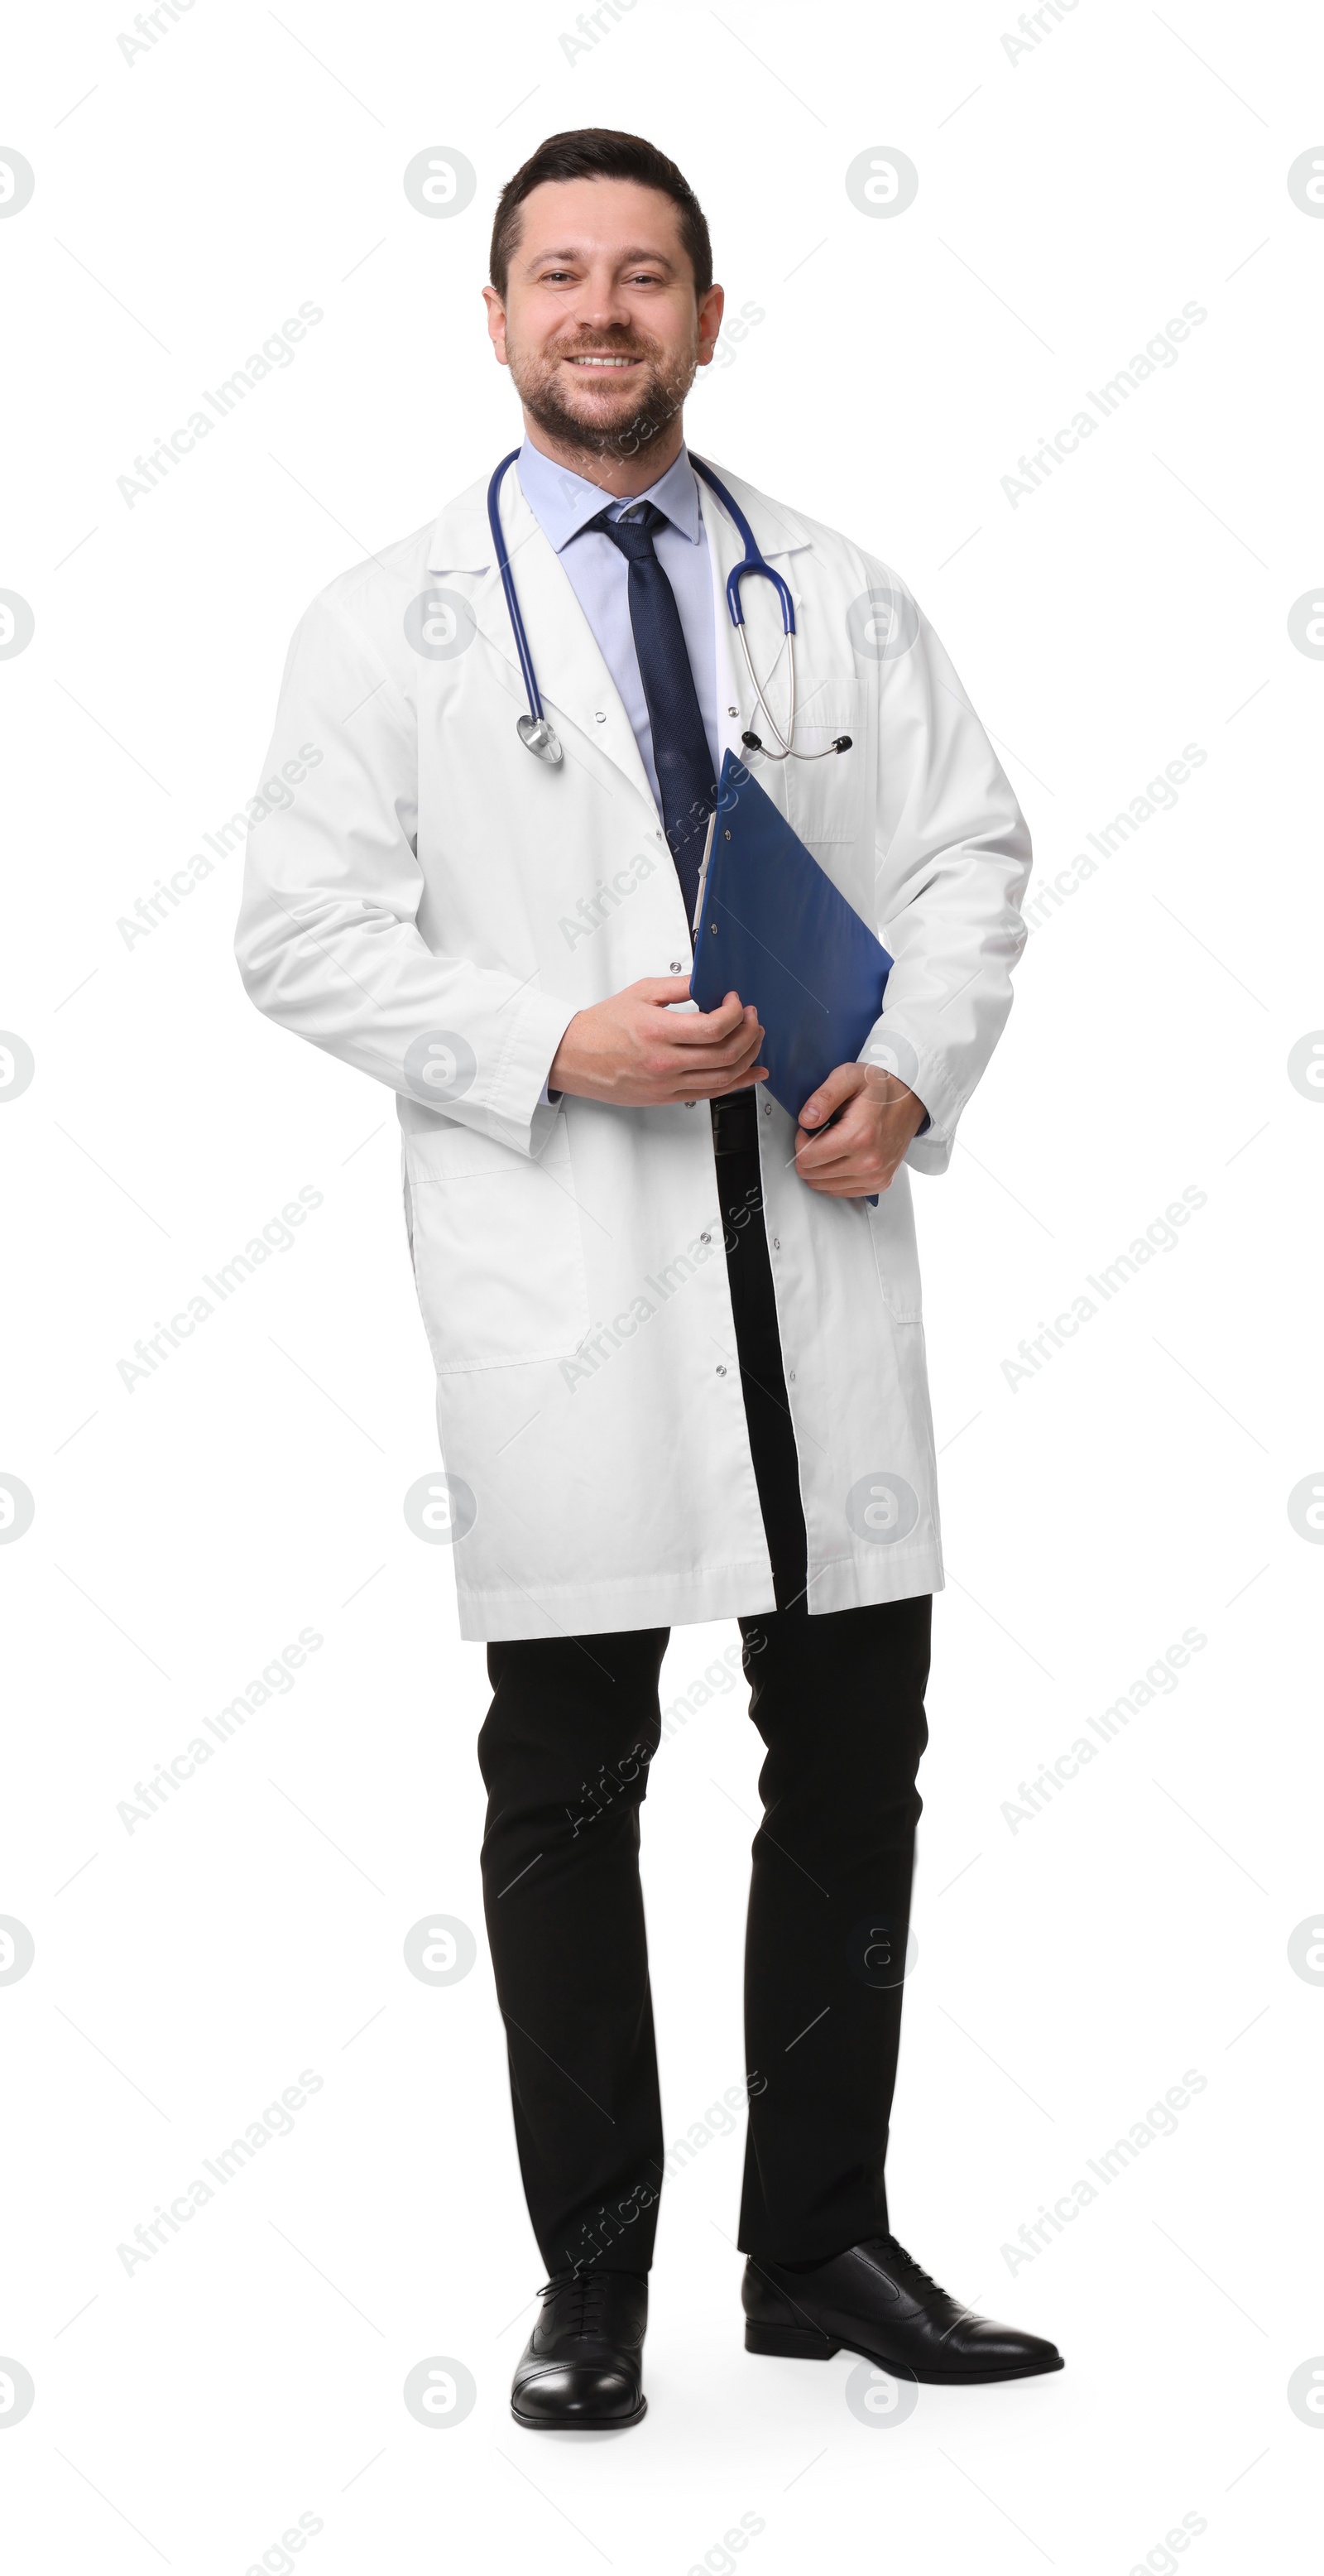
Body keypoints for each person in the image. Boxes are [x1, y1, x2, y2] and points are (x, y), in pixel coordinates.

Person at [236, 126, 1063, 2429]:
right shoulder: (383, 624)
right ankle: (591, 2285)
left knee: (855, 1763)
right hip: (569, 1284)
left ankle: (816, 2252)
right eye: (561, 276)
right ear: (498, 319)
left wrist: (910, 1068)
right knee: (570, 1782)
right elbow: (295, 935)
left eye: (649, 276)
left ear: (710, 318)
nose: (605, 312)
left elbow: (976, 848)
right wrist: (549, 1043)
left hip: (812, 1249)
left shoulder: (840, 594)